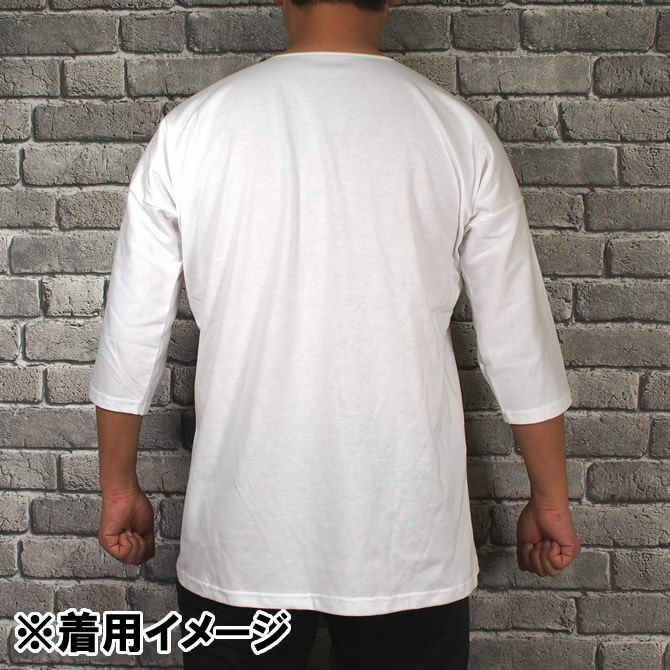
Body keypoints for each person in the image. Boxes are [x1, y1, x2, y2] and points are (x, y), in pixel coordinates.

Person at [89, 0, 582, 666]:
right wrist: (549, 496)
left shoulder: (193, 130)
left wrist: (119, 487)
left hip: (243, 533)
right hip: (407, 539)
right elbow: (518, 339)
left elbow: (132, 330)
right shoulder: (457, 132)